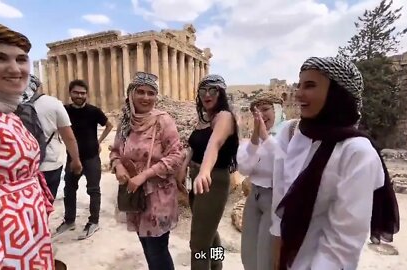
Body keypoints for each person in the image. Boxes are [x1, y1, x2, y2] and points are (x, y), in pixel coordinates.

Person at [266, 56, 399, 270]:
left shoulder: (357, 153)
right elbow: (281, 200)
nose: (298, 93)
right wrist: (277, 251)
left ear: (337, 93)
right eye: (299, 85)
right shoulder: (293, 135)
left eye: (310, 85)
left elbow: (343, 244)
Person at [0, 21, 55, 269]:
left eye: (21, 59)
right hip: (0, 249)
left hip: (27, 240)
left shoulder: (5, 113)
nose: (15, 69)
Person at [109, 71, 184, 270]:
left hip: (159, 197)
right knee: (146, 246)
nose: (145, 97)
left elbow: (176, 156)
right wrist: (118, 166)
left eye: (151, 93)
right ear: (130, 94)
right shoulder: (125, 122)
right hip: (135, 196)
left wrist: (144, 175)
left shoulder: (163, 121)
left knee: (157, 250)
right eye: (140, 92)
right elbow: (115, 151)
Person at [179, 74, 239, 270]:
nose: (207, 94)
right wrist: (182, 169)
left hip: (213, 180)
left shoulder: (224, 117)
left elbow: (215, 144)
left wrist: (204, 171)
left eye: (212, 90)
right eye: (203, 90)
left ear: (221, 93)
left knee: (198, 244)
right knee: (210, 232)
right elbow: (193, 148)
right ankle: (217, 264)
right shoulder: (205, 118)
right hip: (197, 179)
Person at [54, 79, 114, 240]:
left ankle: (93, 222)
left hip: (91, 157)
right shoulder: (64, 111)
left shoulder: (94, 111)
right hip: (72, 158)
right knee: (69, 189)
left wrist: (99, 142)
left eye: (82, 93)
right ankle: (69, 220)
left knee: (93, 190)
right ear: (70, 93)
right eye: (76, 92)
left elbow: (109, 125)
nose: (80, 96)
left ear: (86, 94)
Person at [237, 92, 286, 270]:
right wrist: (256, 140)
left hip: (275, 198)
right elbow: (243, 167)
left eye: (265, 109)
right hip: (255, 195)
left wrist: (266, 138)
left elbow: (284, 166)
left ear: (278, 110)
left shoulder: (290, 132)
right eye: (256, 112)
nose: (261, 116)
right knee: (248, 251)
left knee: (266, 254)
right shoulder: (252, 137)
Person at [22, 74, 82, 201]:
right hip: (49, 164)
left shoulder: (8, 105)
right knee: (45, 206)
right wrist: (76, 160)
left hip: (22, 167)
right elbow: (69, 137)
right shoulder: (53, 103)